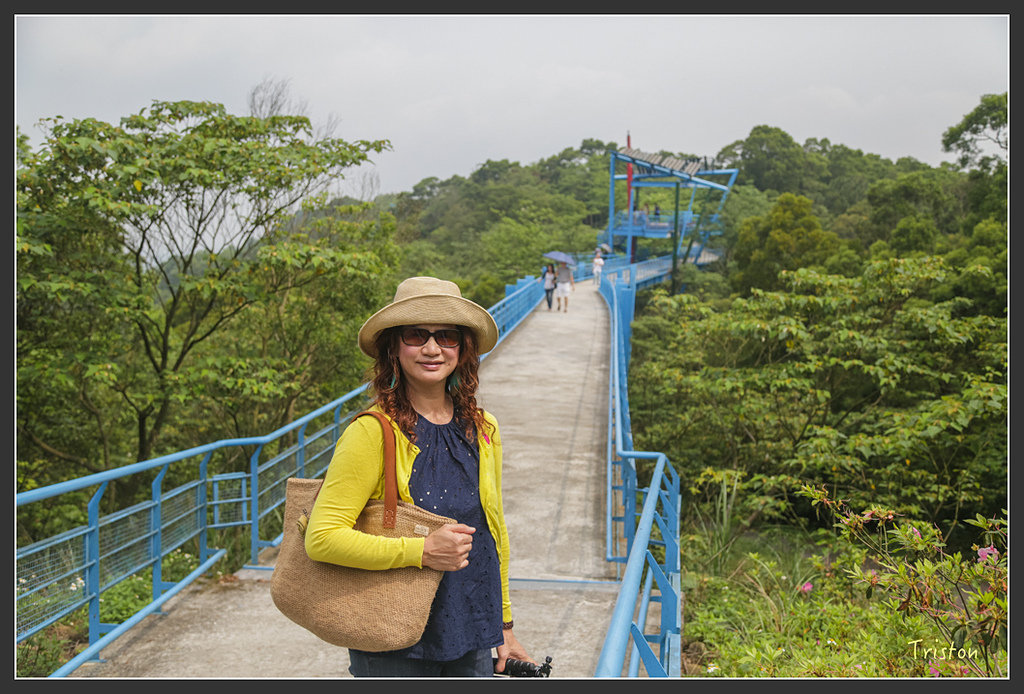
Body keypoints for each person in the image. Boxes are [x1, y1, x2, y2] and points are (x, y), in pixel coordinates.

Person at [305, 277, 534, 677]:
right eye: (416, 335)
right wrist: (422, 551)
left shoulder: (483, 429)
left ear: (463, 348)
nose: (432, 348)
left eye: (446, 336)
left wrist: (504, 626)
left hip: (471, 633)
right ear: (393, 347)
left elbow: (492, 535)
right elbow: (322, 538)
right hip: (395, 641)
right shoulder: (372, 432)